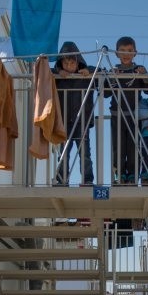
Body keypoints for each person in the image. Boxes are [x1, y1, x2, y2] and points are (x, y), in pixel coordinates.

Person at [106, 36, 148, 184]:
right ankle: (119, 174)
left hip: (134, 116)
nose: (126, 54)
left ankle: (132, 175)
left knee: (133, 148)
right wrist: (112, 78)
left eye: (130, 51)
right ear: (116, 54)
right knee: (118, 147)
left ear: (135, 53)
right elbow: (106, 93)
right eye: (123, 51)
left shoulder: (138, 70)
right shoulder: (113, 70)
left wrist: (145, 76)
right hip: (117, 115)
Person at [52, 41, 97, 186]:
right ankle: (61, 179)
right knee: (63, 152)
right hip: (64, 120)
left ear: (78, 62)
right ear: (61, 63)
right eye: (65, 63)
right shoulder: (59, 77)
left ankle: (87, 179)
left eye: (72, 62)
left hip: (82, 121)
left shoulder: (85, 75)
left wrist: (89, 71)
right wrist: (58, 72)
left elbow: (101, 71)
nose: (69, 65)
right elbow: (45, 72)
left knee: (85, 152)